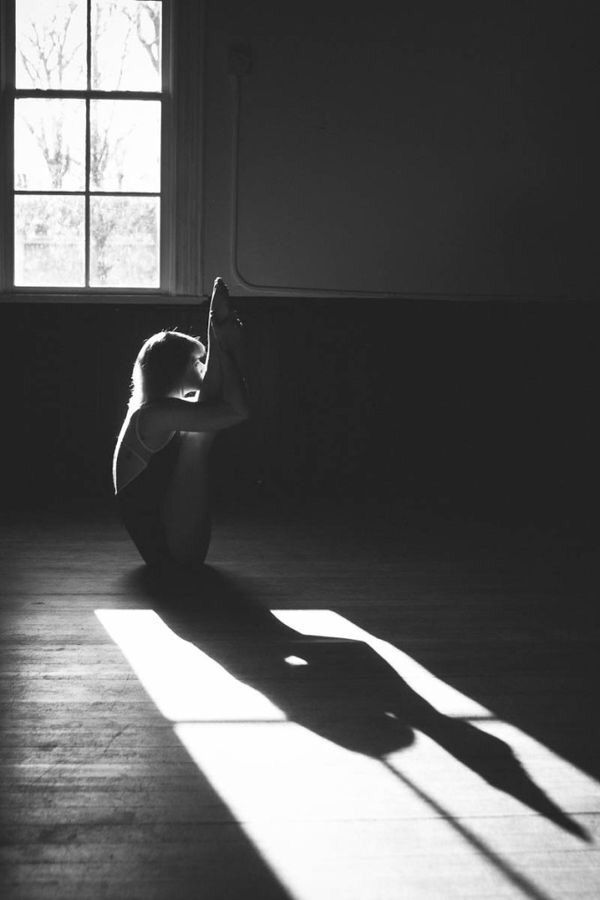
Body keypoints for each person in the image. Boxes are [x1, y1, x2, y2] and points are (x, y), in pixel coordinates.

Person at [112, 277, 249, 571]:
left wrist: (217, 333)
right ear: (176, 369)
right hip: (172, 553)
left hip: (170, 543)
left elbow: (212, 401)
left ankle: (217, 330)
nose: (202, 366)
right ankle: (218, 332)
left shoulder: (153, 411)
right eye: (195, 361)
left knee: (200, 424)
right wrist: (224, 346)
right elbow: (237, 412)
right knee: (199, 437)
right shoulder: (153, 415)